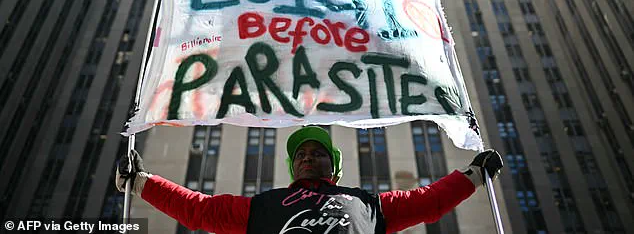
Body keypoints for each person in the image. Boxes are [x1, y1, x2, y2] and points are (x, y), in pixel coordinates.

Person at [116, 126, 502, 234]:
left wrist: (473, 175)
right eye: (300, 153)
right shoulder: (262, 207)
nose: (306, 157)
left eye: (317, 152)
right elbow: (198, 210)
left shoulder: (368, 205)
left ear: (332, 167)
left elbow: (427, 201)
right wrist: (140, 181)